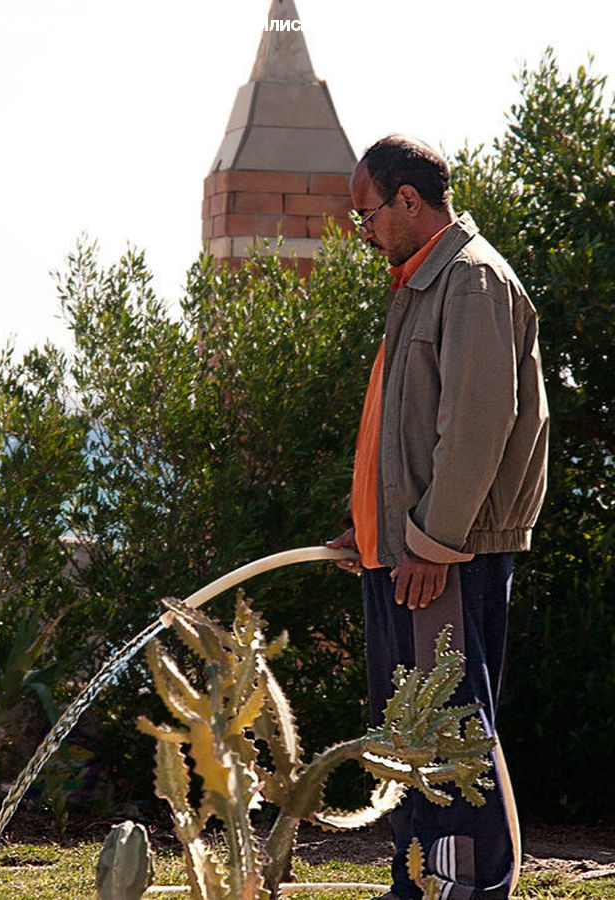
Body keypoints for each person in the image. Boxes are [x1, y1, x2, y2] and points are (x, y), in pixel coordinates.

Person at [327, 135, 549, 900]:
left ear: (409, 201)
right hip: (405, 553)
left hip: (443, 557)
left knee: (447, 731)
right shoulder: (423, 283)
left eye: (367, 213)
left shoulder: (473, 281)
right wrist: (369, 531)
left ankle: (463, 888)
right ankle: (421, 883)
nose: (361, 230)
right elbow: (406, 439)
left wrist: (432, 541)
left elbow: (479, 424)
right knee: (409, 733)